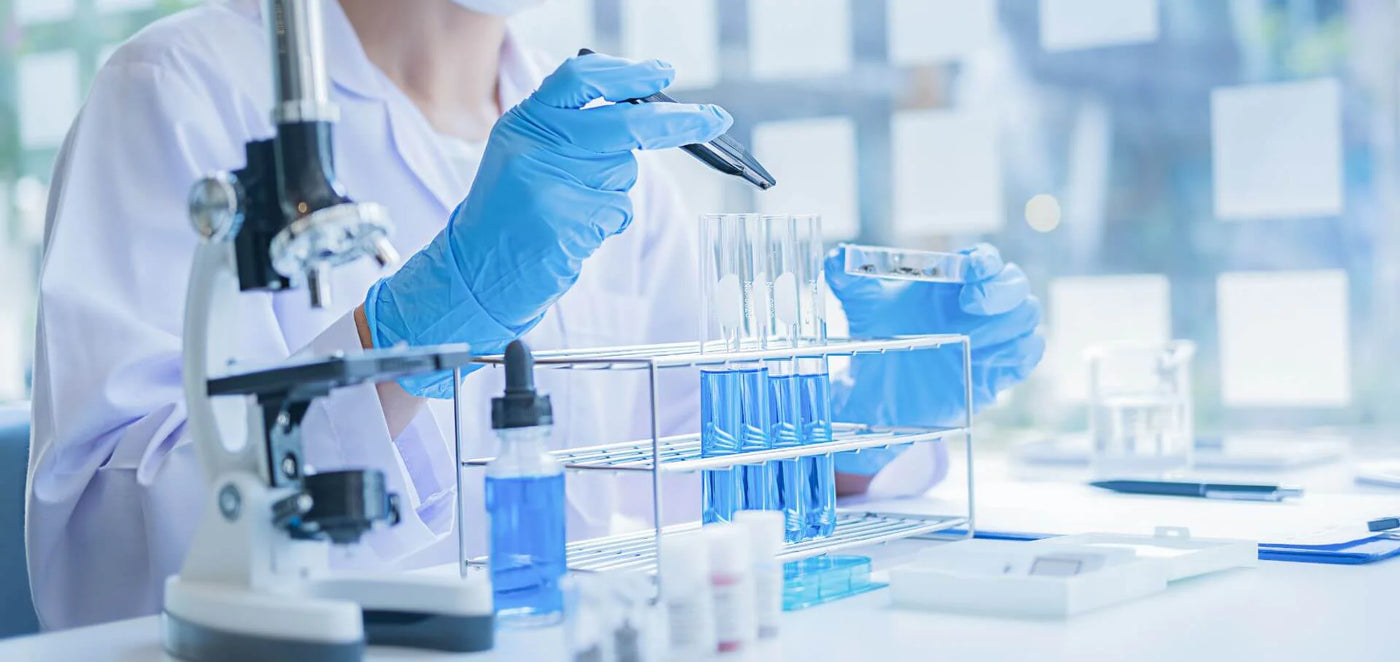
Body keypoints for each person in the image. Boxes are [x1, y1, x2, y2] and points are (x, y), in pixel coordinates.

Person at [25, 0, 1044, 631]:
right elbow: (108, 560)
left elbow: (694, 469)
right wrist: (407, 335)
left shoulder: (601, 152)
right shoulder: (179, 91)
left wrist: (861, 425)